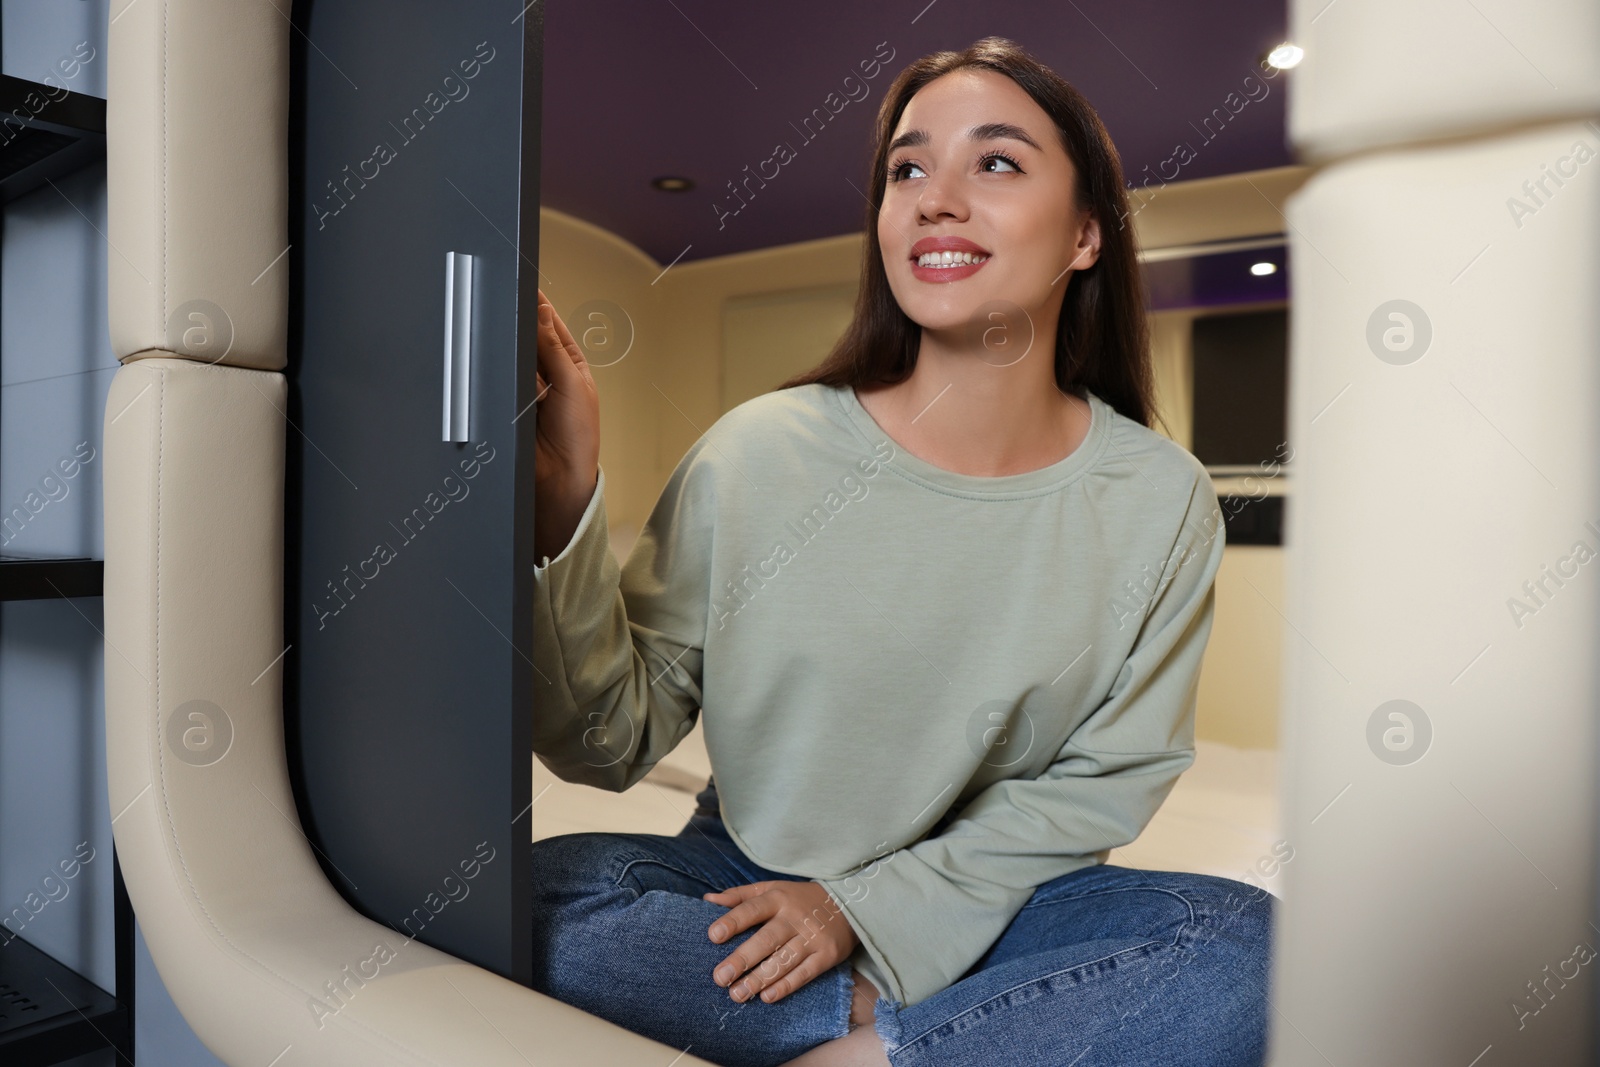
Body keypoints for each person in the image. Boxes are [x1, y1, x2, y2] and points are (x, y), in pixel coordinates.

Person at [527, 35, 1272, 1067]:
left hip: (1008, 900)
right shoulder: (757, 451)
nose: (935, 197)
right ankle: (932, 1035)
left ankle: (867, 1046)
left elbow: (1101, 782)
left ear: (1086, 235)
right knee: (536, 895)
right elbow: (604, 743)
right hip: (742, 874)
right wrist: (562, 510)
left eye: (996, 162)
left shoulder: (1158, 496)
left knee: (1243, 948)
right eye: (907, 168)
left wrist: (862, 912)